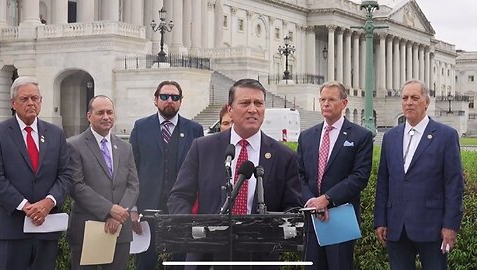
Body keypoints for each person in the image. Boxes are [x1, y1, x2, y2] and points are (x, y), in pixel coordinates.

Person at [168, 78, 302, 269]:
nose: (253, 109)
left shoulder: (284, 156)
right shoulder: (203, 147)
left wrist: (277, 227)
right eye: (245, 103)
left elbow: (292, 208)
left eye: (258, 103)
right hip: (207, 257)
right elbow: (179, 196)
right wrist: (193, 230)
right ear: (230, 109)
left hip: (259, 258)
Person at [374, 79, 464, 270]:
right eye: (405, 98)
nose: (409, 102)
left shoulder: (446, 136)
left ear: (426, 102)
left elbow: (454, 184)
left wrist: (450, 225)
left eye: (415, 97)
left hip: (432, 228)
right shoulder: (390, 137)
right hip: (396, 227)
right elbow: (383, 181)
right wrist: (380, 220)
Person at [297, 81, 373, 269]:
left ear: (344, 103)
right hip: (312, 217)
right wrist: (313, 203)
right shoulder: (306, 136)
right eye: (323, 99)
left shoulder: (360, 136)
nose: (326, 104)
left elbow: (359, 177)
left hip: (340, 217)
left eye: (331, 99)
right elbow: (299, 176)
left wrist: (327, 199)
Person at [0, 76, 72, 270]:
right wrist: (26, 207)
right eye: (24, 99)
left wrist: (48, 203)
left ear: (41, 101)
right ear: (13, 103)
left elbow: (66, 175)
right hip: (12, 229)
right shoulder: (0, 133)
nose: (30, 103)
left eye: (34, 98)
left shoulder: (56, 134)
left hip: (46, 229)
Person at [129, 80, 204, 270]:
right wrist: (133, 209)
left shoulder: (194, 129)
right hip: (148, 211)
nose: (169, 100)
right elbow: (131, 170)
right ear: (155, 100)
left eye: (174, 97)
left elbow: (200, 172)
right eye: (164, 96)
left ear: (180, 101)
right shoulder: (141, 127)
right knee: (145, 263)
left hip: (181, 211)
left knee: (180, 262)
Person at [66, 95, 139, 270]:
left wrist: (119, 214)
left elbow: (133, 185)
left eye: (109, 112)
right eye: (100, 113)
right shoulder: (74, 145)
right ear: (89, 116)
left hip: (119, 231)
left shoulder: (125, 147)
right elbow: (76, 186)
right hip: (87, 230)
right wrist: (109, 210)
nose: (106, 116)